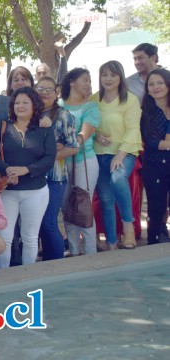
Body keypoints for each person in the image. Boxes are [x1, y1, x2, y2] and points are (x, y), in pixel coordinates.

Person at [0, 87, 56, 268]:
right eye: (17, 102)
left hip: (36, 191)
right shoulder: (2, 126)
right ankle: (5, 276)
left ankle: (27, 277)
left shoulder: (44, 129)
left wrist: (26, 169)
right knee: (5, 237)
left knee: (30, 237)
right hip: (7, 191)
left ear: (34, 105)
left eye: (25, 102)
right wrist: (8, 169)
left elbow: (49, 158)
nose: (20, 106)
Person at [89, 61, 142, 250]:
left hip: (124, 152)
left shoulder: (130, 99)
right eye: (104, 75)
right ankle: (111, 243)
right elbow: (86, 125)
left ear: (120, 77)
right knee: (105, 200)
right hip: (99, 155)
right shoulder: (94, 99)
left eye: (113, 75)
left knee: (118, 178)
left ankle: (129, 227)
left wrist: (120, 155)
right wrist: (95, 135)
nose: (108, 79)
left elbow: (133, 129)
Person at [35, 77, 79, 261]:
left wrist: (48, 156)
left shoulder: (63, 115)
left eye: (49, 90)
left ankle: (55, 263)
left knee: (49, 222)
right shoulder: (31, 113)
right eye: (40, 89)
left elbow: (73, 147)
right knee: (37, 224)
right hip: (33, 178)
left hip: (54, 177)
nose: (44, 93)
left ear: (56, 93)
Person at [59, 68, 101, 256]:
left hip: (84, 162)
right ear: (72, 82)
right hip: (59, 165)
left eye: (90, 81)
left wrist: (60, 146)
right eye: (85, 79)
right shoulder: (58, 106)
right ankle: (75, 252)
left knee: (83, 206)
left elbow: (84, 135)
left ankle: (90, 253)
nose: (88, 84)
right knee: (67, 207)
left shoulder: (91, 107)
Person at [140, 68, 170, 245]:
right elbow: (152, 142)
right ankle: (154, 241)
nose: (156, 87)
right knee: (156, 208)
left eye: (160, 82)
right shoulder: (146, 113)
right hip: (154, 166)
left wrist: (164, 143)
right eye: (151, 84)